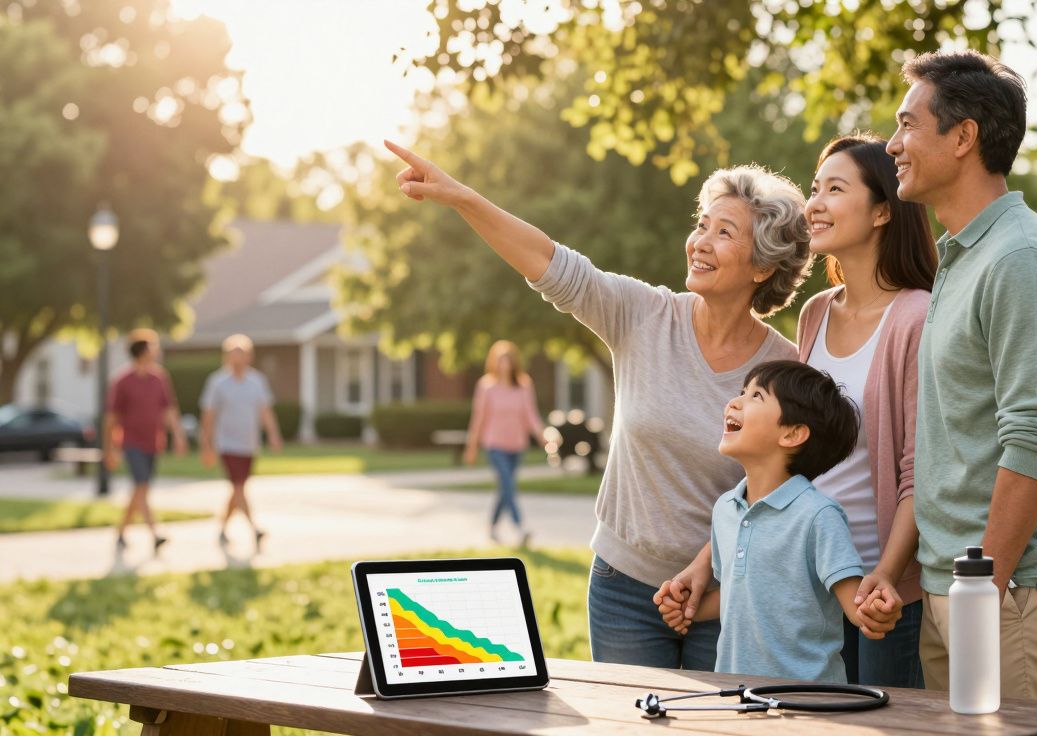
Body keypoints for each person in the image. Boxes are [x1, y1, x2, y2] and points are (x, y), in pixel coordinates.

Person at [383, 140, 807, 671]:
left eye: (725, 233)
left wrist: (712, 577)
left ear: (763, 266)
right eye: (702, 225)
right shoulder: (644, 314)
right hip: (624, 588)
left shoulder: (786, 371)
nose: (700, 241)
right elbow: (549, 262)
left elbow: (777, 499)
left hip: (721, 595)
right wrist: (463, 197)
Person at [655, 134, 938, 689]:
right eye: (815, 188)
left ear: (883, 210)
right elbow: (785, 467)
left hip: (875, 592)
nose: (814, 204)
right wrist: (705, 563)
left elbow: (918, 471)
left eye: (835, 189)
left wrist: (884, 574)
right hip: (799, 582)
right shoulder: (814, 315)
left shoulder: (916, 317)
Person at [887, 50, 1037, 701]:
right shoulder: (962, 255)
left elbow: (1034, 436)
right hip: (962, 588)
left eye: (907, 125)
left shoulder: (1020, 258)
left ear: (963, 136)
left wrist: (984, 587)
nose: (892, 144)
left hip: (1008, 595)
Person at [659, 360, 889, 682]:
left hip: (807, 700)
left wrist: (875, 611)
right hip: (738, 695)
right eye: (742, 392)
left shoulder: (819, 516)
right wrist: (689, 608)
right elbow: (739, 594)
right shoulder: (726, 509)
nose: (735, 401)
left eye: (756, 396)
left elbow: (856, 606)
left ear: (792, 434)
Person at [106, 329, 187, 552]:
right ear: (142, 351)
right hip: (131, 441)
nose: (156, 351)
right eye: (153, 347)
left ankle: (121, 531)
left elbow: (169, 409)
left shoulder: (159, 378)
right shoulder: (122, 381)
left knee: (141, 489)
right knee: (141, 485)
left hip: (153, 441)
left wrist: (178, 436)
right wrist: (110, 448)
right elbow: (112, 418)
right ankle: (155, 532)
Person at [200, 334, 282, 548]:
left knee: (238, 488)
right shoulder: (217, 382)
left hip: (249, 444)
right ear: (227, 356)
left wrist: (273, 434)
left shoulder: (257, 381)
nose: (238, 358)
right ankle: (254, 528)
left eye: (242, 353)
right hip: (226, 444)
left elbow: (265, 411)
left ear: (249, 356)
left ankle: (222, 529)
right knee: (238, 486)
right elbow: (209, 415)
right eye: (233, 353)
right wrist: (206, 444)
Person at [464, 339, 548, 546]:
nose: (504, 365)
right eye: (500, 360)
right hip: (494, 445)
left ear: (514, 362)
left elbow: (531, 415)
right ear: (494, 362)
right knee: (508, 485)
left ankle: (492, 526)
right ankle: (521, 527)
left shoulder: (524, 385)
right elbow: (479, 418)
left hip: (516, 445)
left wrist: (543, 436)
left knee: (505, 488)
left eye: (508, 360)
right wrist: (472, 447)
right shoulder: (486, 386)